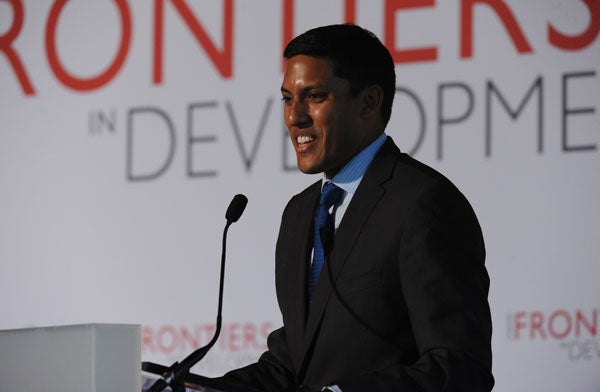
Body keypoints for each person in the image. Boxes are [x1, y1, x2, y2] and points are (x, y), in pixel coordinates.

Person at [217, 24, 494, 392]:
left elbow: (458, 368)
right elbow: (296, 365)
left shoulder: (423, 203)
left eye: (313, 96)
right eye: (287, 98)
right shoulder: (299, 213)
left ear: (369, 102)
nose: (294, 117)